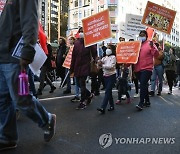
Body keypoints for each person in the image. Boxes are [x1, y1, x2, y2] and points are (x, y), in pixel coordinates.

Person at [0, 0, 56, 151]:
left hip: (14, 56)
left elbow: (30, 21)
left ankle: (47, 120)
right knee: (2, 100)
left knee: (21, 100)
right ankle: (7, 137)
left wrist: (27, 50)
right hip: (2, 55)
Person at [70, 27, 97, 110]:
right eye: (80, 31)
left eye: (83, 31)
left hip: (86, 66)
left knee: (82, 83)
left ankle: (82, 101)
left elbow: (94, 53)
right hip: (77, 66)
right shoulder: (77, 43)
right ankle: (89, 95)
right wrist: (72, 69)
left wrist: (97, 61)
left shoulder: (89, 43)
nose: (81, 33)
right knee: (78, 83)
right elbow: (73, 57)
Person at [134, 30, 159, 111]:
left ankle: (141, 103)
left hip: (147, 68)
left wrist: (152, 47)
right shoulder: (137, 45)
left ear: (146, 36)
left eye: (143, 35)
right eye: (140, 35)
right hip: (137, 68)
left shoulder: (150, 44)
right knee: (143, 85)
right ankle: (147, 101)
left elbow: (156, 54)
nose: (141, 36)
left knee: (143, 84)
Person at [97, 45, 116, 114]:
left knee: (107, 91)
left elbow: (111, 67)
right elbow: (99, 65)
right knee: (109, 92)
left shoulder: (113, 57)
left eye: (109, 48)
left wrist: (102, 66)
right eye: (107, 48)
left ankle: (103, 107)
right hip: (105, 76)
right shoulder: (104, 58)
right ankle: (111, 105)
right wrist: (98, 62)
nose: (107, 49)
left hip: (111, 76)